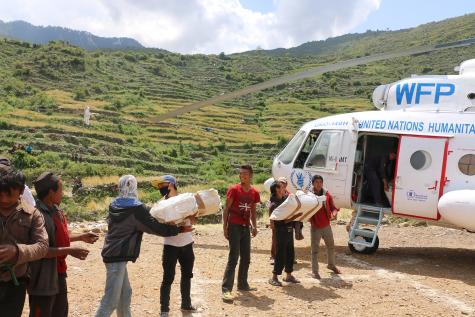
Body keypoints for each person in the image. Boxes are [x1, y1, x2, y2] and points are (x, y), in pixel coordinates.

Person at [95, 175, 191, 317]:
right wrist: (178, 229)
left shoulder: (114, 204)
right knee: (110, 302)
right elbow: (155, 228)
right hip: (117, 257)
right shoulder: (136, 209)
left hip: (112, 253)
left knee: (125, 294)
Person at [28, 172, 99, 317]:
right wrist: (70, 250)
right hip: (43, 278)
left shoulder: (55, 210)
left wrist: (81, 237)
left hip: (58, 273)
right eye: (61, 190)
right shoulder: (38, 216)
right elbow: (41, 250)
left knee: (60, 312)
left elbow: (57, 238)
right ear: (50, 192)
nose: (63, 193)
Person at [0, 165, 48, 316]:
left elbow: (42, 246)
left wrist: (17, 251)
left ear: (21, 191)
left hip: (16, 283)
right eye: (0, 194)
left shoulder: (33, 215)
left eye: (9, 195)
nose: (4, 199)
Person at [150, 175, 197, 317]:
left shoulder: (185, 200)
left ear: (170, 184)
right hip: (170, 245)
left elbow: (194, 220)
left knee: (187, 276)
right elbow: (158, 226)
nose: (160, 188)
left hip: (187, 244)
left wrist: (187, 217)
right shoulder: (160, 205)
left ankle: (186, 304)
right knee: (168, 278)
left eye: (161, 185)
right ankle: (164, 309)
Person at [222, 164, 260, 303]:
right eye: (241, 173)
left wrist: (254, 226)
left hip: (245, 227)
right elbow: (226, 209)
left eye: (245, 173)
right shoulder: (234, 189)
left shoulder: (254, 192)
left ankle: (243, 284)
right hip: (234, 226)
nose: (242, 175)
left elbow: (253, 211)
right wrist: (224, 227)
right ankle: (226, 290)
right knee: (234, 257)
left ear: (251, 175)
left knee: (246, 257)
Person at [268, 181, 300, 286]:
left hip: (289, 230)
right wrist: (295, 217)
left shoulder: (285, 200)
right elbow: (280, 221)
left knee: (290, 252)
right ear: (277, 189)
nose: (284, 189)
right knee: (280, 254)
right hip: (281, 231)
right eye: (282, 187)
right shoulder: (274, 205)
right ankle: (274, 277)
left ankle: (288, 275)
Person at [309, 175, 341, 279]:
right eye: (316, 182)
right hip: (315, 227)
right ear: (313, 184)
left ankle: (331, 265)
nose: (318, 184)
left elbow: (334, 208)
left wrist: (334, 213)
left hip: (326, 225)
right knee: (315, 250)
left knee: (331, 246)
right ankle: (315, 271)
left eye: (320, 182)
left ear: (322, 183)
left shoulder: (327, 194)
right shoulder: (309, 195)